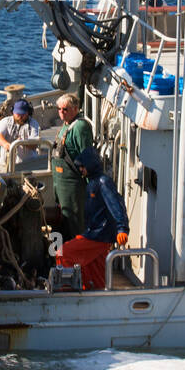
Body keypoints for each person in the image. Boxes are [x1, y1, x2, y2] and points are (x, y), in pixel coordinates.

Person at [56, 146, 129, 290]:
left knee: (63, 253)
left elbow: (116, 205)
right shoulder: (92, 183)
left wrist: (122, 228)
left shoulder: (103, 183)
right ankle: (95, 291)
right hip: (96, 233)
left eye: (83, 167)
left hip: (98, 235)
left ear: (90, 165)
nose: (81, 170)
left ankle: (65, 289)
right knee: (95, 270)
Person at [51, 92, 93, 239]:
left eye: (65, 109)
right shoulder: (65, 125)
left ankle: (77, 259)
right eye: (59, 109)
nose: (61, 112)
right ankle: (58, 256)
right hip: (60, 187)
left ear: (76, 109)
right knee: (60, 223)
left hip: (73, 188)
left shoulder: (80, 127)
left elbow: (87, 157)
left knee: (75, 225)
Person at [0, 99, 40, 165]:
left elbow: (35, 144)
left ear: (28, 113)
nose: (20, 117)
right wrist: (6, 144)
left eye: (23, 114)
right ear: (13, 112)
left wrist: (22, 142)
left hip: (28, 164)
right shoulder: (5, 121)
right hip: (6, 163)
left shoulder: (34, 124)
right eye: (18, 114)